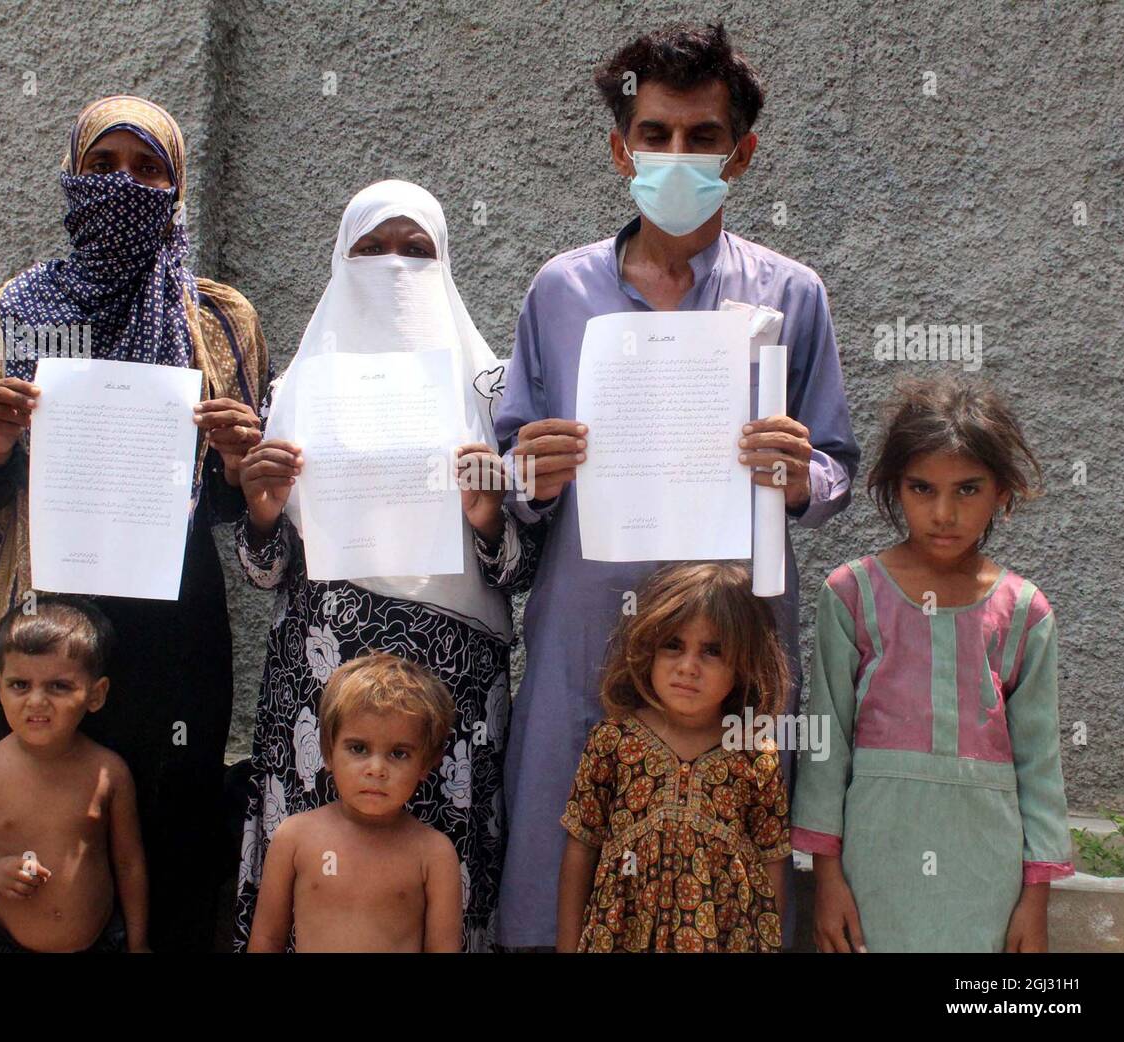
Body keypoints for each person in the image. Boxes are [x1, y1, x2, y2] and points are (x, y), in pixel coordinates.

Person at [482, 22, 859, 948]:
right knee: (559, 851)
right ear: (622, 148)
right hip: (585, 622)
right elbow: (509, 471)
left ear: (742, 153)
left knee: (729, 871)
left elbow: (838, 463)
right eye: (656, 135)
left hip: (730, 641)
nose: (676, 155)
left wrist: (798, 475)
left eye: (701, 137)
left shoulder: (789, 296)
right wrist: (533, 469)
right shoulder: (558, 292)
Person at [0, 95, 269, 951]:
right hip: (52, 610)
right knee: (46, 808)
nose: (125, 184)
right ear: (74, 175)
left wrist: (236, 458)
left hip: (175, 610)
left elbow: (242, 502)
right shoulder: (21, 309)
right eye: (104, 165)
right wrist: (1, 444)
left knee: (172, 801)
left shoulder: (220, 319)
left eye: (147, 168)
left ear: (176, 185)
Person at [231, 179, 541, 952]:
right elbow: (267, 570)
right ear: (341, 258)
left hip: (455, 683)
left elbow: (520, 572)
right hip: (320, 673)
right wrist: (264, 511)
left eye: (415, 250)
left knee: (444, 878)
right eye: (372, 249)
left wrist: (486, 518)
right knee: (311, 879)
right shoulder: (292, 391)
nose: (393, 265)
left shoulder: (493, 393)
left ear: (445, 261)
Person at [791, 377, 1073, 952]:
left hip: (986, 871)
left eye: (968, 489)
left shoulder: (1024, 613)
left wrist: (1034, 902)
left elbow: (1040, 766)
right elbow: (825, 749)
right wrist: (827, 880)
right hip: (874, 862)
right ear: (896, 489)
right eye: (923, 488)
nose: (944, 513)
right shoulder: (851, 595)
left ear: (1002, 492)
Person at [555, 563, 792, 952]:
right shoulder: (613, 741)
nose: (688, 667)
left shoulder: (755, 755)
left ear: (745, 663)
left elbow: (773, 861)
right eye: (673, 645)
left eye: (712, 651)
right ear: (648, 647)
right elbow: (582, 846)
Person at [0, 595, 148, 953]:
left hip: (100, 944)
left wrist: (138, 943)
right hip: (8, 945)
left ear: (96, 694)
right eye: (20, 685)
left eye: (58, 686)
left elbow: (129, 864)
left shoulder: (108, 773)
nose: (36, 701)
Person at [247, 653, 463, 952]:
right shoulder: (294, 838)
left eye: (399, 753)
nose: (376, 769)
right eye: (358, 748)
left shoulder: (434, 854)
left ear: (426, 763)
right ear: (328, 751)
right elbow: (267, 938)